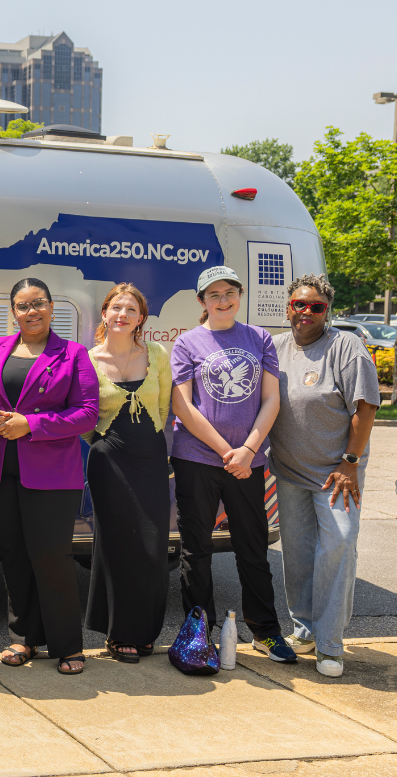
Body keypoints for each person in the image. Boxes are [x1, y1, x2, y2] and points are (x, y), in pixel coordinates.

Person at [0, 277, 98, 675]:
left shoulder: (74, 354)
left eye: (39, 303)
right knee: (14, 555)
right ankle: (23, 637)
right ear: (13, 312)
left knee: (51, 556)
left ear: (51, 307)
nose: (32, 311)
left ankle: (67, 645)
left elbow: (86, 413)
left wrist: (31, 424)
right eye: (23, 305)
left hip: (52, 475)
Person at [170, 265, 293, 663]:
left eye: (229, 293)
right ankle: (198, 634)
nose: (223, 301)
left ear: (239, 295)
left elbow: (271, 399)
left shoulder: (258, 338)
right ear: (202, 302)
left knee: (252, 548)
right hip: (197, 460)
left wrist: (249, 451)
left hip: (249, 463)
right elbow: (184, 407)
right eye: (214, 295)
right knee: (196, 550)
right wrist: (229, 452)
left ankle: (266, 631)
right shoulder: (187, 343)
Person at [269, 274, 379, 677]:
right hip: (289, 471)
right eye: (300, 304)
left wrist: (349, 461)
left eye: (316, 306)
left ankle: (330, 645)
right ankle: (305, 630)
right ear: (288, 307)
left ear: (327, 310)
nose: (306, 313)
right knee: (297, 556)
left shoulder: (344, 347)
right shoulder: (277, 348)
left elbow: (365, 408)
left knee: (338, 548)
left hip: (337, 475)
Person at [83, 284, 172, 663]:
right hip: (108, 460)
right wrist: (105, 443)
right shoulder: (87, 360)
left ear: (141, 318)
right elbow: (86, 417)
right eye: (115, 307)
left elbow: (165, 404)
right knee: (116, 545)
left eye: (130, 309)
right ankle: (120, 634)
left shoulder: (156, 354)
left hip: (150, 457)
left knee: (152, 546)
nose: (122, 314)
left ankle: (145, 629)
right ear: (104, 314)